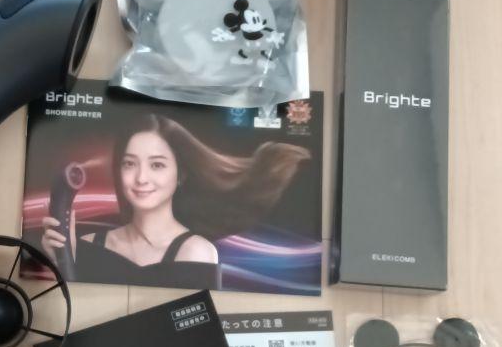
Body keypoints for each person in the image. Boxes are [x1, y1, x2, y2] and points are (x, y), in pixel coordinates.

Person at [40, 113, 310, 289]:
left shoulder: (197, 253)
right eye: (129, 164)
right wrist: (61, 261)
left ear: (181, 175)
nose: (141, 178)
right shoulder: (86, 246)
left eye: (157, 165)